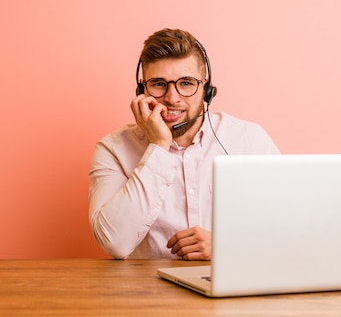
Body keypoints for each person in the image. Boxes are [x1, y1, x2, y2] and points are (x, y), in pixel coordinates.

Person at [88, 28, 279, 260]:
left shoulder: (248, 139)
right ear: (142, 89)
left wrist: (226, 244)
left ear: (206, 89)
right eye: (159, 84)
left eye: (186, 83)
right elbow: (114, 243)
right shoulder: (113, 149)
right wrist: (158, 145)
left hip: (232, 290)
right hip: (149, 293)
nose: (172, 98)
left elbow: (287, 226)